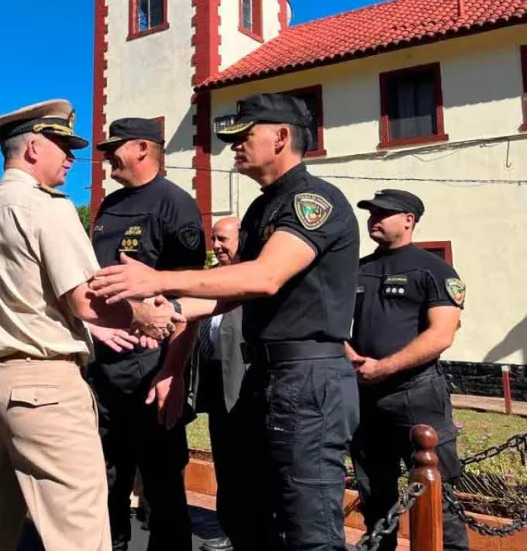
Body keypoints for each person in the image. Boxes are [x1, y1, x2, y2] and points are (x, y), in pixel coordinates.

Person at [92, 93, 361, 551]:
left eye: (243, 136)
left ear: (281, 137)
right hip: (265, 376)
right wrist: (173, 310)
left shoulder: (312, 200)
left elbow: (265, 276)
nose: (233, 146)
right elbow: (231, 290)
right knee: (245, 512)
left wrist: (156, 278)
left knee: (307, 527)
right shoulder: (261, 209)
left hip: (308, 375)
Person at [0, 99, 183, 551]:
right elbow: (86, 299)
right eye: (63, 146)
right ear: (34, 148)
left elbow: (30, 298)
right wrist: (145, 317)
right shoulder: (47, 206)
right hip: (44, 386)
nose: (73, 158)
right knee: (78, 529)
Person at [88, 117, 205, 551]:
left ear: (142, 148)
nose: (104, 157)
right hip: (102, 370)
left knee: (161, 486)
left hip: (150, 370)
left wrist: (172, 375)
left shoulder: (177, 205)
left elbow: (188, 302)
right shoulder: (109, 205)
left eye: (112, 148)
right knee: (104, 481)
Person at [348, 189, 468, 551]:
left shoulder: (435, 270)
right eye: (371, 213)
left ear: (408, 220)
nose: (374, 220)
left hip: (416, 395)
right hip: (365, 397)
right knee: (374, 496)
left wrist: (383, 367)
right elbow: (333, 321)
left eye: (383, 213)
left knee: (438, 496)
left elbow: (442, 334)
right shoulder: (359, 269)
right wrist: (351, 357)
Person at [190, 217, 245, 551]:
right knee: (224, 459)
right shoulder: (213, 278)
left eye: (223, 239)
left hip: (243, 384)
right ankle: (229, 527)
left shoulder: (252, 279)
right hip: (213, 381)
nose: (216, 245)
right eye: (213, 238)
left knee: (246, 462)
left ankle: (249, 531)